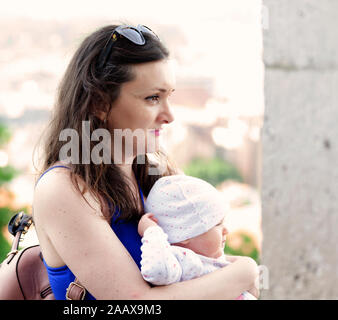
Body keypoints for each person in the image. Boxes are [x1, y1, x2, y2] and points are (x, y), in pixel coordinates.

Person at [32, 23, 259, 300]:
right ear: (100, 103)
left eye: (168, 97)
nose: (169, 115)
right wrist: (244, 272)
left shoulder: (155, 176)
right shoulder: (65, 188)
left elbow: (199, 265)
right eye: (153, 98)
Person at [138, 175, 258, 300]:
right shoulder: (182, 259)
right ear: (186, 234)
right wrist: (152, 232)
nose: (226, 230)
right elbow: (158, 271)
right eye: (217, 224)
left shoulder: (205, 258)